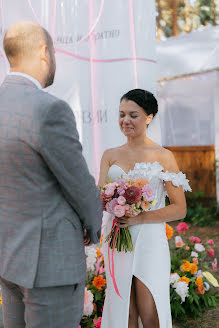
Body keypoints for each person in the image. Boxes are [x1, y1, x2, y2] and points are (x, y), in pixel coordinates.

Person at [0, 21, 102, 328]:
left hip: (8, 258)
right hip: (50, 263)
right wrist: (93, 225)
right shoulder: (49, 110)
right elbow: (80, 184)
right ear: (45, 52)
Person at [98, 89, 192, 328]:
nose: (125, 121)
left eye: (133, 115)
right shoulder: (109, 155)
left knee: (150, 309)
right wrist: (109, 203)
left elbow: (179, 208)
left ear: (149, 117)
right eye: (121, 114)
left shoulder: (164, 156)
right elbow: (99, 196)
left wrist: (140, 218)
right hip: (117, 237)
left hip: (150, 239)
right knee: (123, 310)